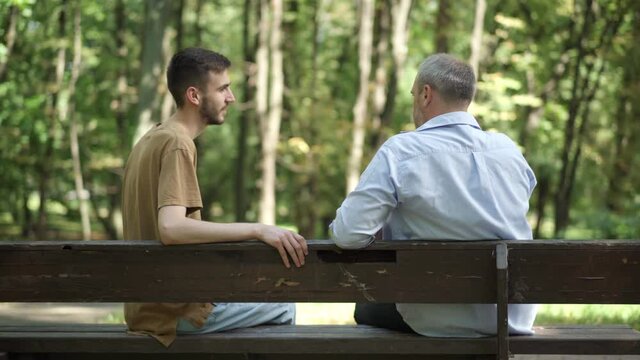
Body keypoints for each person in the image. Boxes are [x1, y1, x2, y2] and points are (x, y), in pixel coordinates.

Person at [329, 53, 537, 337]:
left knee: (364, 309)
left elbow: (346, 235)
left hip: (432, 318)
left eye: (414, 93)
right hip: (510, 316)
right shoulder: (508, 150)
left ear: (426, 94)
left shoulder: (401, 151)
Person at [121, 48, 307, 347]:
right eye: (222, 89)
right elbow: (171, 228)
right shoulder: (177, 143)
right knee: (283, 306)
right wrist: (258, 229)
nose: (231, 97)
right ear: (194, 96)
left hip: (146, 306)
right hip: (173, 313)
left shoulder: (150, 139)